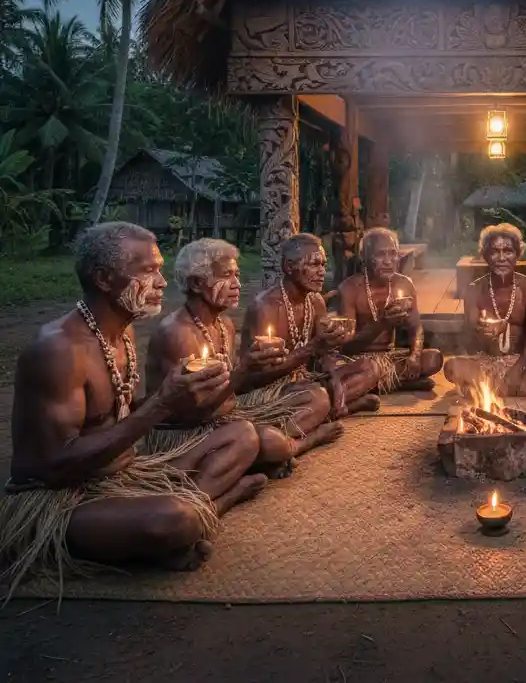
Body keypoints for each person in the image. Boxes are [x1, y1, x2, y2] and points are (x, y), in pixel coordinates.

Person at [0, 223, 265, 598]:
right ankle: (212, 506)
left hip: (126, 473)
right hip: (62, 496)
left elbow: (120, 414)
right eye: (147, 271)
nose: (160, 281)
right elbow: (54, 466)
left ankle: (184, 518)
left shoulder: (120, 332)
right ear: (104, 279)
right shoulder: (58, 351)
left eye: (159, 268)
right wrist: (162, 404)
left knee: (241, 435)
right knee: (174, 520)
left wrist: (185, 398)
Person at [144, 239, 344, 477]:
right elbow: (193, 414)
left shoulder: (225, 325)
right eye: (227, 276)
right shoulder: (177, 333)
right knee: (268, 441)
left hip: (227, 414)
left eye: (237, 275)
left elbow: (232, 391)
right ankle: (300, 444)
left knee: (315, 397)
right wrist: (245, 370)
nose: (237, 284)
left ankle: (260, 456)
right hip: (185, 432)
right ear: (197, 283)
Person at [239, 233, 377, 426]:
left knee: (369, 367)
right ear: (289, 267)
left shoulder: (315, 300)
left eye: (323, 264)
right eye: (313, 264)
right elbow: (257, 377)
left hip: (306, 380)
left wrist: (337, 385)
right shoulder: (265, 307)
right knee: (316, 397)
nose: (322, 271)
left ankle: (334, 404)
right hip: (270, 389)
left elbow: (324, 355)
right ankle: (323, 417)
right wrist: (312, 348)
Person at [444, 224, 526, 397]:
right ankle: (525, 388)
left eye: (508, 251)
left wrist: (518, 368)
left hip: (521, 361)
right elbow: (470, 338)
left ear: (518, 254)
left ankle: (485, 390)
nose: (501, 258)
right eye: (495, 252)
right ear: (486, 256)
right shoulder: (474, 289)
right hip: (486, 362)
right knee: (451, 367)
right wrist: (484, 335)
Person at [336, 227, 443, 395]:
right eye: (380, 255)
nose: (388, 261)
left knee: (433, 359)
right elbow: (347, 346)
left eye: (393, 254)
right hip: (357, 361)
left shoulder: (404, 284)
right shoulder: (349, 289)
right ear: (365, 258)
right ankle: (397, 383)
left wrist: (414, 356)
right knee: (361, 369)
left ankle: (376, 385)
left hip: (390, 358)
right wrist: (382, 322)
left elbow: (416, 327)